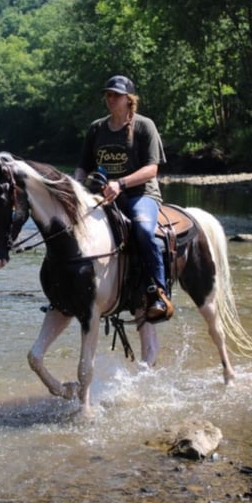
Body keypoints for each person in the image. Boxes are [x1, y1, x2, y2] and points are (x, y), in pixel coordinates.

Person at [74, 75, 173, 321]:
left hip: (141, 194)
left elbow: (152, 169)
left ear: (129, 99)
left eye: (115, 95)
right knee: (72, 228)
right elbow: (83, 167)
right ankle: (69, 294)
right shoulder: (97, 128)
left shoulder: (144, 126)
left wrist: (121, 183)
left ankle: (158, 292)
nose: (110, 99)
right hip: (104, 196)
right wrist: (75, 189)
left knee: (143, 230)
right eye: (108, 94)